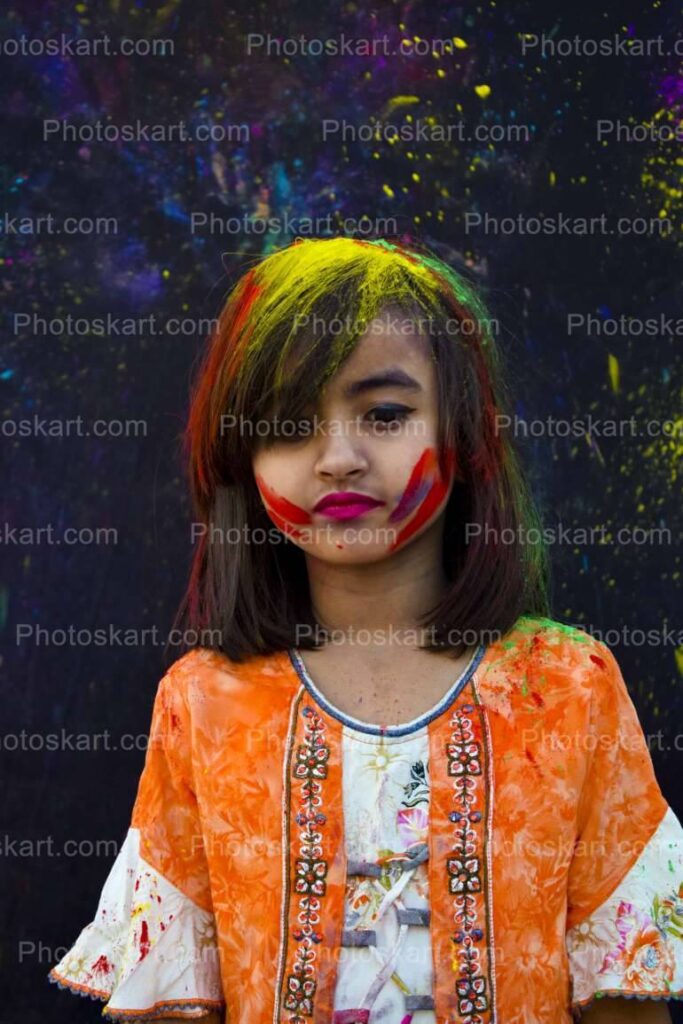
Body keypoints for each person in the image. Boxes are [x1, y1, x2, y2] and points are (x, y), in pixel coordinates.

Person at [47, 237, 682, 1023]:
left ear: (468, 431)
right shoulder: (202, 702)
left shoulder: (565, 685)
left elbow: (626, 999)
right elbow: (173, 1004)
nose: (337, 458)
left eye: (384, 414)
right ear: (239, 455)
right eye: (287, 424)